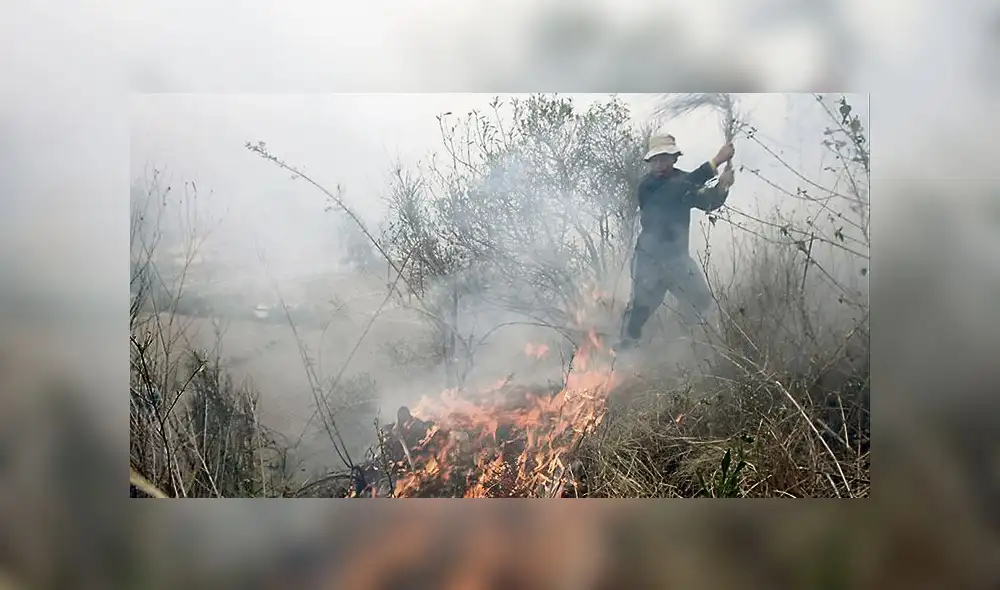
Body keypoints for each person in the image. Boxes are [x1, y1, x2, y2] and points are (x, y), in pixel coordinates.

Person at [617, 134, 736, 351]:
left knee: (702, 303)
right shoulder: (648, 187)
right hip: (649, 261)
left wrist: (722, 188)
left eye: (666, 158)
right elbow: (675, 191)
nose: (660, 165)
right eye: (656, 160)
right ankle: (622, 357)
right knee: (640, 311)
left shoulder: (683, 180)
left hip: (678, 261)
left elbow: (706, 201)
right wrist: (715, 162)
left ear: (674, 159)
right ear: (650, 162)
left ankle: (695, 351)